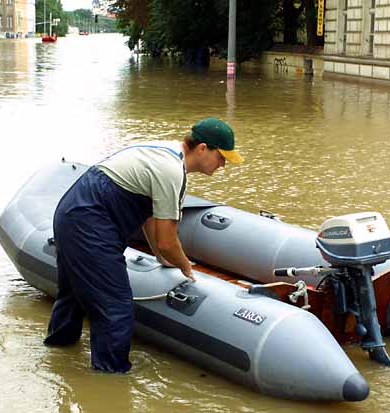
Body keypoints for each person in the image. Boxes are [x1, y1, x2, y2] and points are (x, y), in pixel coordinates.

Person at [44, 117, 244, 373]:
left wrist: (163, 258)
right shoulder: (172, 171)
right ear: (203, 148)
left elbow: (151, 219)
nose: (223, 164)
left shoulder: (162, 152)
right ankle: (109, 382)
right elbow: (167, 240)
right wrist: (186, 267)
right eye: (221, 157)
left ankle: (57, 355)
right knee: (115, 307)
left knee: (72, 294)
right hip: (90, 222)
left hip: (72, 211)